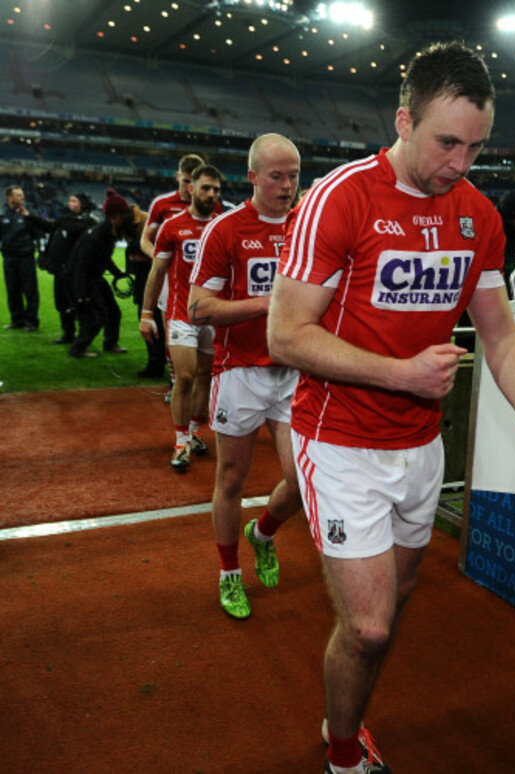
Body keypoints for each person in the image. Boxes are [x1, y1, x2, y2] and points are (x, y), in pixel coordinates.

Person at [267, 41, 515, 774]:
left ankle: (351, 718)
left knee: (397, 597)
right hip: (337, 440)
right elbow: (285, 333)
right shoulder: (340, 197)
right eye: (446, 142)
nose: (461, 163)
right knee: (370, 627)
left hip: (419, 449)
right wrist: (402, 373)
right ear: (404, 120)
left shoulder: (478, 217)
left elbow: (499, 335)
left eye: (476, 146)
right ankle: (343, 750)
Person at [187, 133, 303, 620]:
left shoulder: (309, 225)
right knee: (231, 478)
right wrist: (268, 304)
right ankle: (229, 572)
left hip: (296, 369)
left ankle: (264, 533)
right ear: (252, 177)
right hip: (239, 372)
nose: (286, 185)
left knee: (301, 480)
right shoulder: (226, 229)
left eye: (294, 175)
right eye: (276, 176)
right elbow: (197, 307)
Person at [139, 164, 222, 472]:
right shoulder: (172, 226)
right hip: (181, 314)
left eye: (215, 189)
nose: (211, 194)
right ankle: (180, 441)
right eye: (205, 188)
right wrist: (147, 313)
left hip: (213, 315)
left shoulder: (223, 225)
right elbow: (157, 272)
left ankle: (196, 432)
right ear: (191, 189)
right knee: (185, 376)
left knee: (205, 377)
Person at [138, 154, 206, 381]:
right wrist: (162, 259)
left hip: (202, 280)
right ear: (178, 177)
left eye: (193, 182)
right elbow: (145, 240)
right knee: (174, 332)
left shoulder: (211, 205)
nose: (189, 187)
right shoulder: (162, 204)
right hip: (171, 279)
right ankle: (175, 382)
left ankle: (202, 386)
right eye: (185, 180)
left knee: (206, 334)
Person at [67, 190, 131, 359]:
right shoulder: (97, 237)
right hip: (86, 279)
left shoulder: (107, 233)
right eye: (123, 215)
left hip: (94, 277)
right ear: (115, 216)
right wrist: (81, 296)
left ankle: (110, 343)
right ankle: (78, 349)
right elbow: (80, 267)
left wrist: (118, 274)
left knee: (113, 312)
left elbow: (103, 258)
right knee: (97, 315)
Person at [39, 192, 97, 344]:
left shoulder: (88, 223)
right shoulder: (64, 220)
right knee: (61, 304)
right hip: (59, 271)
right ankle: (68, 334)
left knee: (77, 304)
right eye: (70, 200)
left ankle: (82, 338)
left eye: (74, 201)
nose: (70, 203)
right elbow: (50, 232)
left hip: (74, 273)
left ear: (82, 204)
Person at [0, 184, 51, 330]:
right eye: (18, 195)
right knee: (12, 290)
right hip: (9, 258)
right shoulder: (3, 216)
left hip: (26, 258)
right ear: (9, 197)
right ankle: (17, 320)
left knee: (30, 290)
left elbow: (39, 236)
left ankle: (31, 321)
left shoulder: (29, 215)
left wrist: (42, 254)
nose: (22, 197)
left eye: (22, 195)